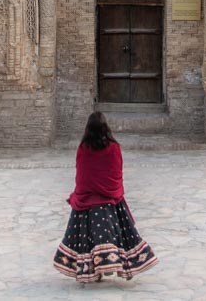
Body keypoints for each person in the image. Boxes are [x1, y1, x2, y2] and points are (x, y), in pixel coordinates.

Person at [53, 112, 158, 283]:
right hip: (109, 201)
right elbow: (116, 173)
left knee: (87, 237)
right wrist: (113, 190)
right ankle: (112, 263)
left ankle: (94, 269)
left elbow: (82, 175)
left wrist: (81, 192)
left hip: (87, 200)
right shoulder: (113, 147)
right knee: (115, 233)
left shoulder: (83, 148)